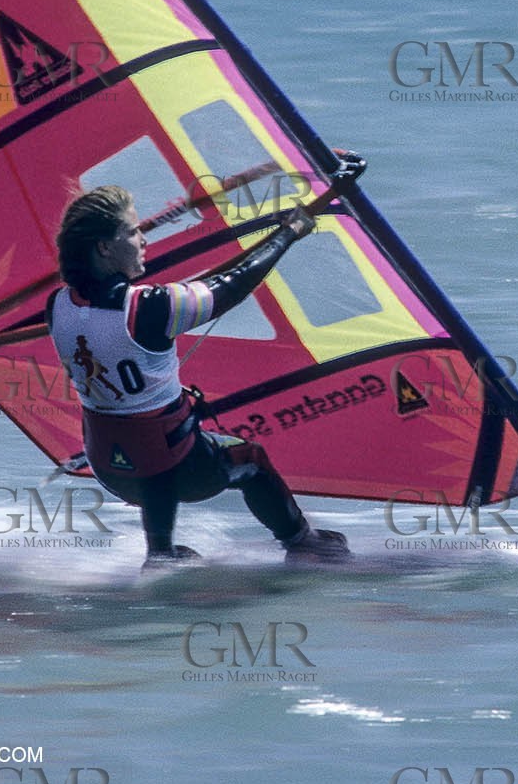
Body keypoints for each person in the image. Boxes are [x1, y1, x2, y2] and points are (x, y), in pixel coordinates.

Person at [46, 183, 351, 569]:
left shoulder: (56, 305)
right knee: (249, 459)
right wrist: (289, 233)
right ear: (104, 247)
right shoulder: (148, 308)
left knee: (149, 448)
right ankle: (303, 542)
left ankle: (161, 551)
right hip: (177, 469)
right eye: (133, 231)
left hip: (109, 466)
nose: (144, 240)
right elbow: (233, 286)